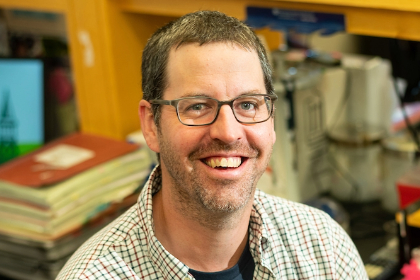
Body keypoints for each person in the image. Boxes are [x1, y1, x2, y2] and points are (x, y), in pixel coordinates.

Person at [57, 10, 368, 280]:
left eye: (248, 105)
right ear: (151, 124)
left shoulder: (325, 249)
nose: (228, 132)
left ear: (271, 119)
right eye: (196, 106)